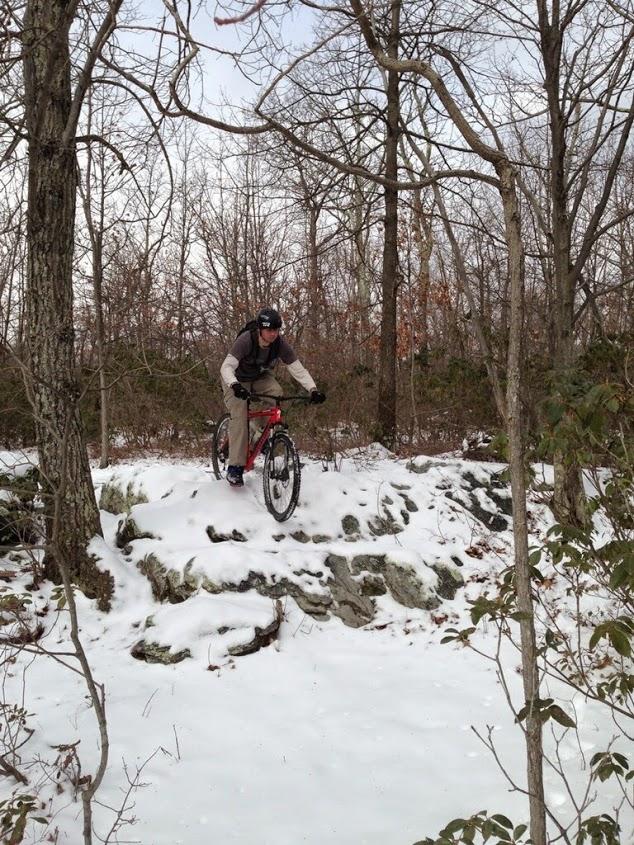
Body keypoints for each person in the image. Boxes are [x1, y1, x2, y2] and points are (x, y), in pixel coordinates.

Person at [220, 307, 325, 486]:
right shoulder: (246, 340)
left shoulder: (280, 344)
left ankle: (258, 435)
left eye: (276, 330)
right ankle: (235, 467)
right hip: (236, 380)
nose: (273, 334)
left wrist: (313, 389)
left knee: (278, 396)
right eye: (269, 330)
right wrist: (235, 385)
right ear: (260, 329)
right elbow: (226, 367)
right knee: (239, 413)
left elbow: (297, 369)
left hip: (260, 378)